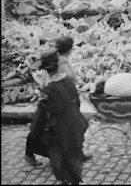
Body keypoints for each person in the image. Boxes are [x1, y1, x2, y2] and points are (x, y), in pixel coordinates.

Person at [25, 50, 89, 185]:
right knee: (74, 159)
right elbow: (77, 103)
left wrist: (35, 132)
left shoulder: (47, 91)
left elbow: (41, 118)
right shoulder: (68, 81)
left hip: (59, 131)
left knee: (61, 163)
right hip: (77, 124)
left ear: (45, 71)